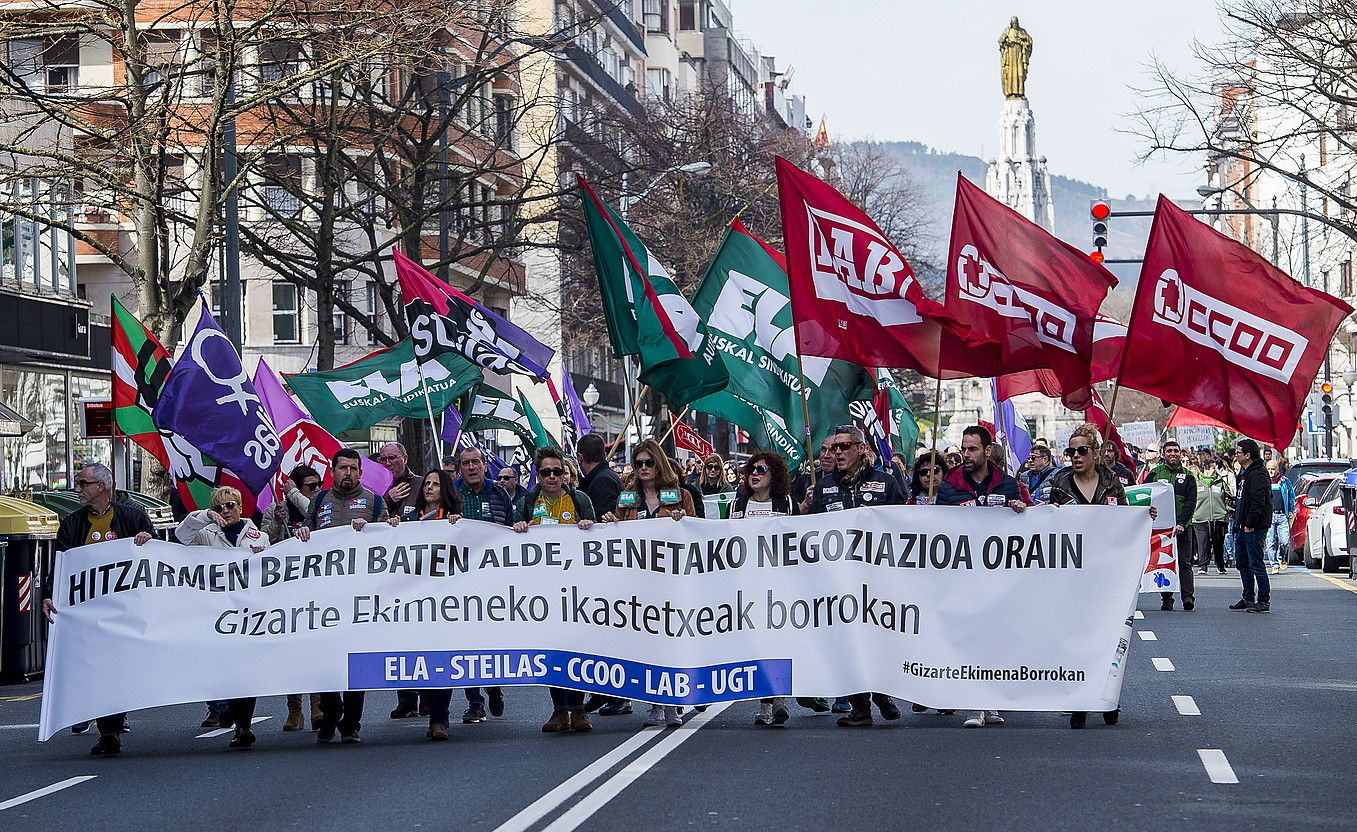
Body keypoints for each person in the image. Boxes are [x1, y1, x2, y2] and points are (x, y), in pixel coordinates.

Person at [46, 463, 154, 756]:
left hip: (125, 608)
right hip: (90, 611)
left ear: (101, 487)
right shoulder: (72, 524)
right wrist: (47, 594)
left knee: (118, 667)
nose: (77, 488)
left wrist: (147, 541)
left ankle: (112, 726)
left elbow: (157, 557)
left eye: (82, 483)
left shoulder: (133, 517)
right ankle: (108, 730)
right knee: (97, 666)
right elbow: (59, 566)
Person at [1047, 424, 1149, 729]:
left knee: (1108, 637)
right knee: (1077, 637)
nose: (1076, 456)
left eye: (1082, 450)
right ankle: (1081, 699)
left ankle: (1107, 695)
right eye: (1071, 451)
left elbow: (1124, 521)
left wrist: (1142, 518)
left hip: (1107, 573)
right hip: (1073, 573)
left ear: (1095, 453)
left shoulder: (1111, 483)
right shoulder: (1061, 483)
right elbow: (1051, 524)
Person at [807, 425, 906, 727]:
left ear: (861, 448)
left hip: (880, 576)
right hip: (840, 578)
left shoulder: (886, 482)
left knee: (880, 638)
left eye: (844, 446)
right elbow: (811, 530)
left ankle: (882, 690)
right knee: (848, 640)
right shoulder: (824, 487)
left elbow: (907, 524)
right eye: (834, 448)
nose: (837, 452)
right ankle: (860, 705)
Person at [936, 425, 1027, 729]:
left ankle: (992, 698)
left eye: (972, 449)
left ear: (988, 452)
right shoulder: (949, 487)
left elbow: (1025, 524)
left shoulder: (1008, 484)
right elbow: (939, 529)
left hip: (999, 578)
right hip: (963, 577)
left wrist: (1018, 509)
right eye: (963, 448)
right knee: (971, 638)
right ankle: (974, 703)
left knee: (996, 638)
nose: (966, 455)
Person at [295, 448, 388, 744]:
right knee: (324, 658)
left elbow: (390, 539)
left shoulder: (374, 502)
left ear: (360, 473)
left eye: (353, 469)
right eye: (342, 468)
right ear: (332, 471)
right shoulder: (320, 500)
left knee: (355, 661)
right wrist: (303, 534)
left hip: (360, 595)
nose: (347, 474)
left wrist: (371, 530)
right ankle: (331, 710)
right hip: (324, 597)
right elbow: (308, 528)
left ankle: (351, 723)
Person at [599, 440, 694, 725]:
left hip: (672, 580)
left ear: (659, 464)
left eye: (648, 463)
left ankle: (672, 703)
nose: (643, 468)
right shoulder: (628, 497)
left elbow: (698, 532)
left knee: (673, 643)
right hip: (640, 582)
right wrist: (610, 522)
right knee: (648, 644)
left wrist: (683, 519)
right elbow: (620, 535)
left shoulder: (681, 496)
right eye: (638, 463)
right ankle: (655, 702)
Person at [168, 486, 271, 748]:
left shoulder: (259, 536)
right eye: (219, 507)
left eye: (230, 505)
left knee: (244, 669)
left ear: (240, 507)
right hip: (215, 610)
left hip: (248, 611)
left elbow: (269, 571)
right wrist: (204, 516)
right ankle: (224, 707)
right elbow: (182, 535)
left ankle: (243, 726)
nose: (225, 511)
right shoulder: (206, 533)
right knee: (223, 667)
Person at [514, 446, 597, 733]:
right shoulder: (526, 502)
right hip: (542, 589)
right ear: (538, 475)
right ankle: (559, 710)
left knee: (576, 647)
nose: (551, 476)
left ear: (565, 474)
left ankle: (579, 709)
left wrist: (589, 525)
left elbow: (599, 539)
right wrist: (519, 526)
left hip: (576, 588)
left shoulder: (579, 499)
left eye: (557, 471)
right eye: (546, 472)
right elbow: (509, 537)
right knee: (552, 650)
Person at [387, 469, 463, 741]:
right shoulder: (409, 519)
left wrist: (457, 525)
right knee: (421, 659)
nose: (429, 488)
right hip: (415, 604)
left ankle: (439, 718)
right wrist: (392, 528)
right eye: (427, 484)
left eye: (435, 484)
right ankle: (429, 703)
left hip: (445, 603)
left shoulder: (455, 521)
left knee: (441, 658)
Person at [728, 451, 799, 727]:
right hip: (748, 584)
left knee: (776, 642)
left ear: (774, 476)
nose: (754, 474)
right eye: (751, 470)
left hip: (779, 584)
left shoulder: (786, 503)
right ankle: (766, 698)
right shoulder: (738, 503)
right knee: (757, 644)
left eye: (761, 470)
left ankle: (775, 699)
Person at [452, 445, 515, 722]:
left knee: (490, 641)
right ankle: (474, 701)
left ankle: (493, 687)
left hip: (492, 581)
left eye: (475, 462)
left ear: (484, 465)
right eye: (465, 463)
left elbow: (513, 528)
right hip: (460, 581)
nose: (471, 467)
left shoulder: (498, 492)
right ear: (460, 467)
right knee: (466, 642)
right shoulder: (453, 493)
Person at [1147, 441, 1197, 611]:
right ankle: (1167, 598)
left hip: (1182, 527)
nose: (1173, 454)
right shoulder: (1154, 474)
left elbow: (1191, 502)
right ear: (1163, 454)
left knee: (1184, 562)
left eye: (1176, 451)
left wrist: (1182, 523)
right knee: (1164, 563)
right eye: (1169, 451)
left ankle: (1188, 597)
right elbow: (1146, 497)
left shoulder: (1189, 476)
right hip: (1161, 529)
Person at [1232, 439, 1273, 613]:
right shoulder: (1245, 472)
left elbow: (1259, 501)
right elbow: (1245, 498)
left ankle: (1263, 599)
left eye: (1238, 452)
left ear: (1248, 455)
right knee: (1242, 562)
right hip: (1242, 524)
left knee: (1256, 562)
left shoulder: (1257, 473)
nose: (1236, 455)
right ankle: (1248, 597)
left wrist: (1250, 523)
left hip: (1253, 526)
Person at [1190, 456, 1233, 576]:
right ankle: (1203, 566)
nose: (1214, 470)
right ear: (1205, 469)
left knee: (1219, 542)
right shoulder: (1196, 482)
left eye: (1215, 468)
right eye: (1212, 468)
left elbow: (1228, 497)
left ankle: (1220, 565)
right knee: (1202, 542)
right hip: (1200, 518)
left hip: (1219, 518)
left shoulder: (1221, 482)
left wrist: (1229, 507)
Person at [261, 465, 321, 545]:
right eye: (312, 486)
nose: (317, 489)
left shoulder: (322, 505)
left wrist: (293, 493)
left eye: (319, 484)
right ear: (297, 487)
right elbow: (264, 540)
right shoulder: (276, 508)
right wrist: (276, 521)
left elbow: (314, 515)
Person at [1263, 459, 1295, 574]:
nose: (1271, 472)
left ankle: (1281, 557)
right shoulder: (1263, 481)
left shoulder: (1284, 482)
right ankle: (1274, 564)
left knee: (1285, 541)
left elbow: (1291, 496)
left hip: (1282, 515)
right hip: (1269, 516)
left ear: (1277, 470)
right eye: (1269, 469)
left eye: (1273, 469)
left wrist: (1291, 510)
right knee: (1270, 541)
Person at [376, 442, 421, 520]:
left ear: (405, 459)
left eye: (392, 458)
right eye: (383, 459)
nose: (387, 463)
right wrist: (388, 499)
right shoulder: (374, 485)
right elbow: (371, 515)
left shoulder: (421, 484)